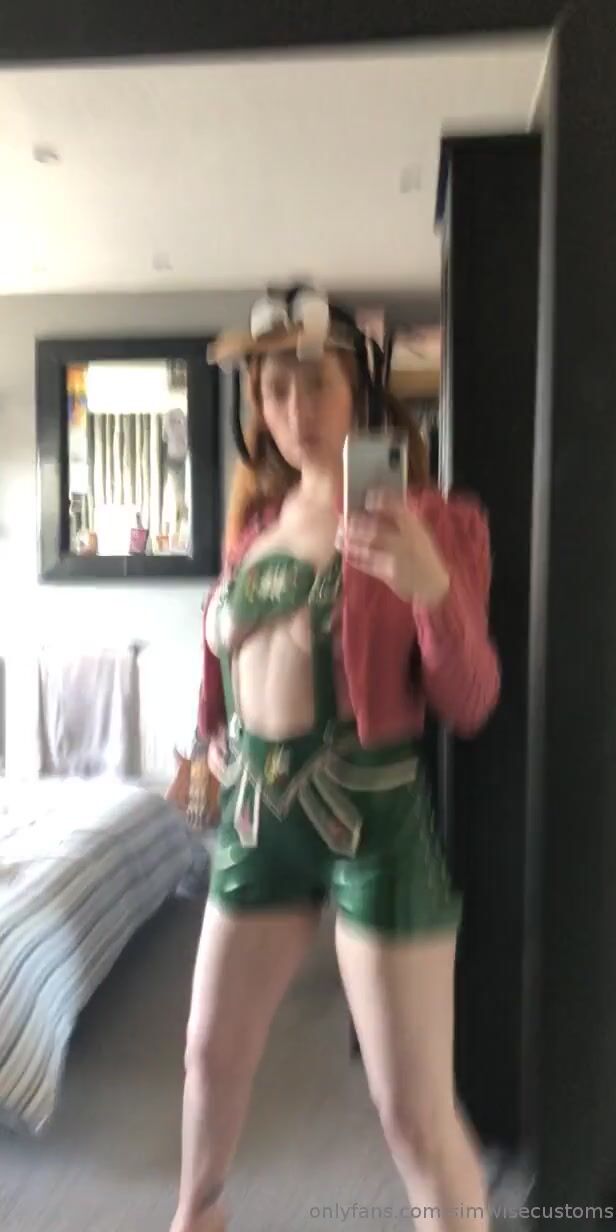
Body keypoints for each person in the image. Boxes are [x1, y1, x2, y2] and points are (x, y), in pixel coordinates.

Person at [169, 285, 500, 1232]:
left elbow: (471, 702)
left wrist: (431, 590)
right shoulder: (255, 528)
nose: (294, 408)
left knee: (413, 1115)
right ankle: (195, 1215)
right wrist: (203, 743)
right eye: (273, 388)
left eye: (315, 382)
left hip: (374, 823)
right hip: (255, 822)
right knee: (209, 1057)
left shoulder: (434, 520)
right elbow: (225, 659)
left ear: (362, 391)